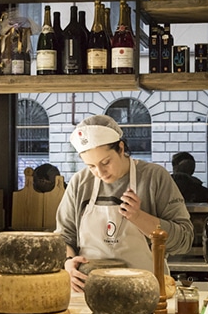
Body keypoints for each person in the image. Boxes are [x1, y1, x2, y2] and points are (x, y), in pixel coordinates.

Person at [56, 115, 194, 292]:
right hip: (89, 291)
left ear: (121, 148)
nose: (100, 172)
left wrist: (139, 217)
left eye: (105, 162)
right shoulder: (80, 183)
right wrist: (68, 263)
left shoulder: (154, 178)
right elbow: (63, 237)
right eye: (91, 166)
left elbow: (184, 240)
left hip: (146, 291)